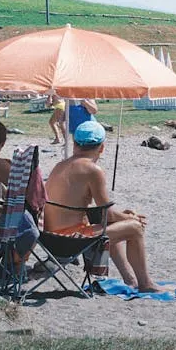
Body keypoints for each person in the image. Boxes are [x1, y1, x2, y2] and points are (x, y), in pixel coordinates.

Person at [44, 120, 161, 293]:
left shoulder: (60, 165)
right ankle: (146, 284)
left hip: (51, 238)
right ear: (102, 148)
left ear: (75, 144)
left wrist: (123, 216)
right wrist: (131, 218)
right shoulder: (92, 170)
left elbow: (104, 213)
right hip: (71, 240)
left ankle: (130, 280)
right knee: (135, 228)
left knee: (114, 226)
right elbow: (108, 213)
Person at [0, 120, 38, 265]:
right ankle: (16, 263)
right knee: (33, 217)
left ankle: (12, 260)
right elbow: (21, 187)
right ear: (2, 143)